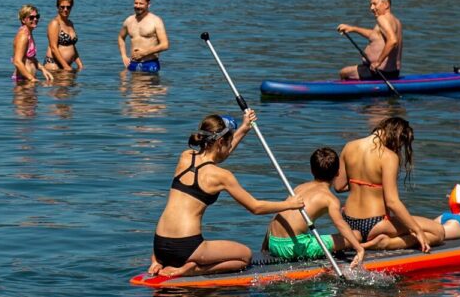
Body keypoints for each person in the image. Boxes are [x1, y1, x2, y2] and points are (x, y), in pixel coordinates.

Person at [148, 109, 302, 278]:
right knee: (244, 256)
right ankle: (193, 269)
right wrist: (290, 204)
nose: (230, 147)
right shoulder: (222, 176)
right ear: (221, 141)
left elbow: (218, 155)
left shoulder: (186, 156)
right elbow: (255, 207)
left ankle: (157, 262)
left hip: (159, 246)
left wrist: (244, 128)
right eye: (229, 143)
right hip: (186, 247)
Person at [335, 115, 440, 253]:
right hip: (375, 224)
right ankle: (386, 243)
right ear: (397, 137)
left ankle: (359, 241)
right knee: (437, 232)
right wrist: (417, 230)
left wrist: (362, 183)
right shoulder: (388, 157)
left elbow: (339, 186)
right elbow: (392, 202)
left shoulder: (349, 146)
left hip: (349, 221)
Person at [262, 146, 366, 267]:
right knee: (356, 235)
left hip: (273, 242)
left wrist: (264, 248)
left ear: (312, 170)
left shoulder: (299, 188)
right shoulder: (330, 199)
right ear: (338, 172)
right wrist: (359, 249)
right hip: (292, 248)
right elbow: (340, 224)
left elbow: (278, 216)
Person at [337, 0, 402, 81]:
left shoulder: (382, 19)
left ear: (386, 4)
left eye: (375, 4)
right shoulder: (396, 21)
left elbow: (393, 40)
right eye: (370, 4)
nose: (371, 8)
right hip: (393, 72)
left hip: (379, 72)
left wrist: (378, 62)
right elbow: (375, 35)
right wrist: (353, 29)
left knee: (343, 72)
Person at [118, 0, 169, 72]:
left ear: (148, 4)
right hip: (133, 63)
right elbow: (121, 37)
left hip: (150, 64)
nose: (138, 6)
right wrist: (124, 56)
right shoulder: (129, 20)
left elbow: (165, 45)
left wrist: (144, 53)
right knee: (123, 79)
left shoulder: (156, 21)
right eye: (136, 3)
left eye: (141, 4)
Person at [46, 0, 82, 73]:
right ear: (57, 7)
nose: (65, 9)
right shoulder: (55, 23)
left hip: (67, 66)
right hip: (55, 65)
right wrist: (66, 66)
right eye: (62, 7)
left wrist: (80, 64)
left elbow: (72, 45)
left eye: (68, 7)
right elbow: (53, 48)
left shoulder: (70, 23)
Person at [12, 5, 48, 83]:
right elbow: (17, 61)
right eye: (31, 17)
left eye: (37, 17)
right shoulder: (23, 36)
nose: (35, 19)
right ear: (23, 20)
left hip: (27, 80)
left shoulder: (28, 33)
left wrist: (43, 69)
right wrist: (31, 79)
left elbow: (30, 58)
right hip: (23, 81)